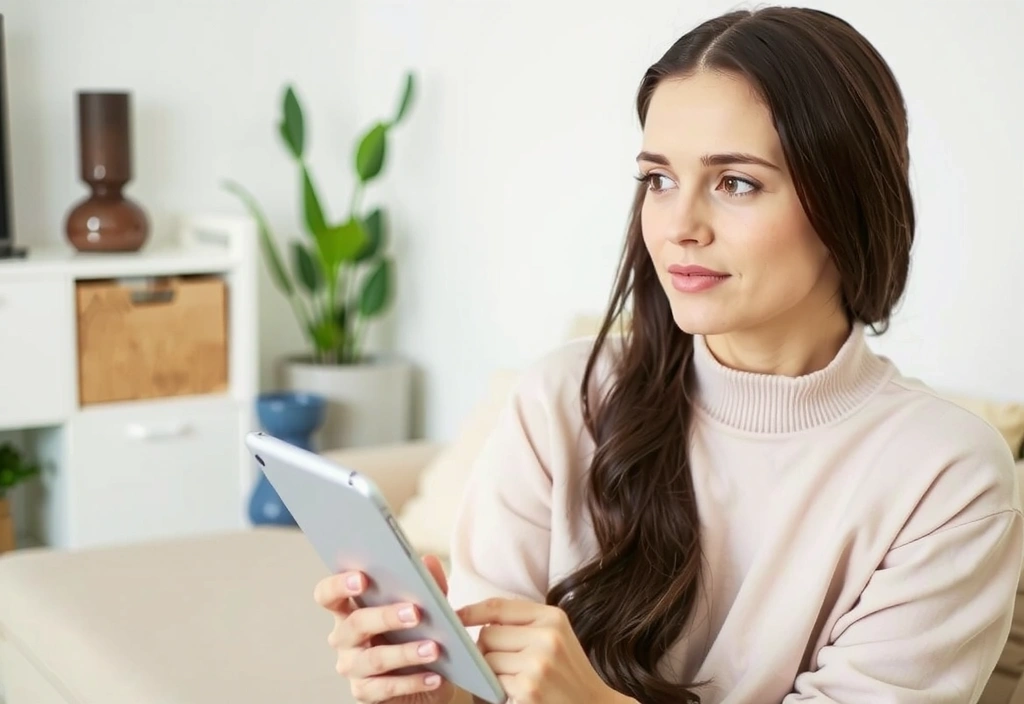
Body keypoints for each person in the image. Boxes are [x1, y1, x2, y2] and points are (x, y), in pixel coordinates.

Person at [313, 5, 1024, 704]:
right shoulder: (564, 398)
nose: (679, 226)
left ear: (849, 200)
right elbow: (495, 681)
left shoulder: (948, 475)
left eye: (736, 182)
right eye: (658, 179)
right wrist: (435, 695)